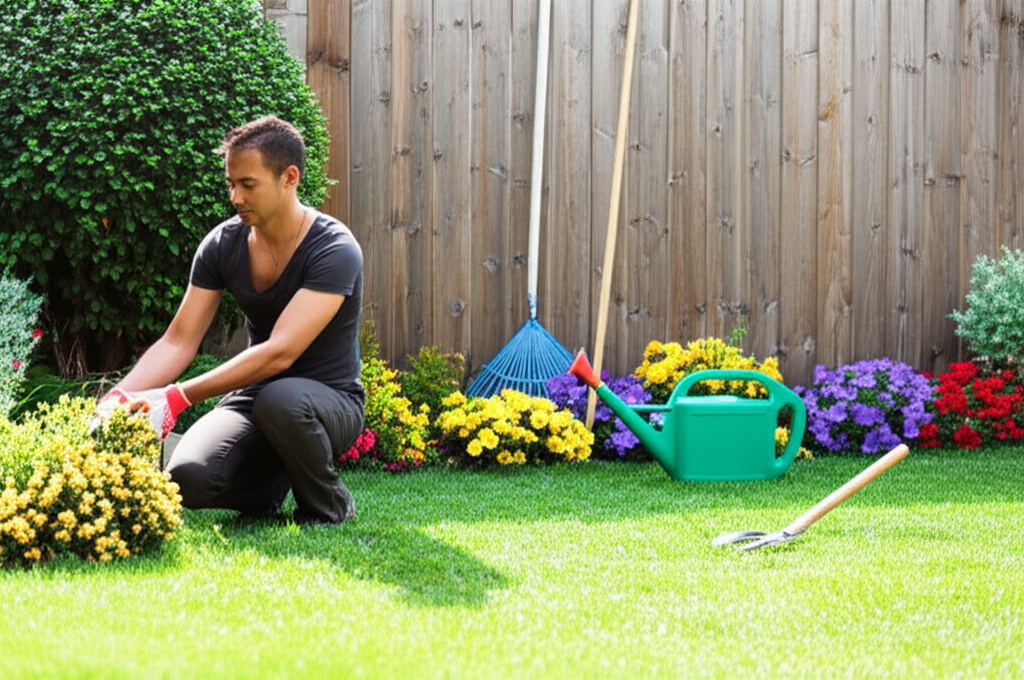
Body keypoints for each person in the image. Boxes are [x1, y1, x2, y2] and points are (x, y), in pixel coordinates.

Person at [98, 115, 364, 525]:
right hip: (255, 397)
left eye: (248, 184)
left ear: (289, 177)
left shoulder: (334, 248)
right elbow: (178, 341)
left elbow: (280, 353)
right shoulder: (222, 245)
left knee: (284, 400)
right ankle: (270, 487)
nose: (235, 197)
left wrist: (177, 396)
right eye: (231, 184)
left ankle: (329, 504)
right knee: (186, 479)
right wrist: (115, 398)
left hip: (329, 400)